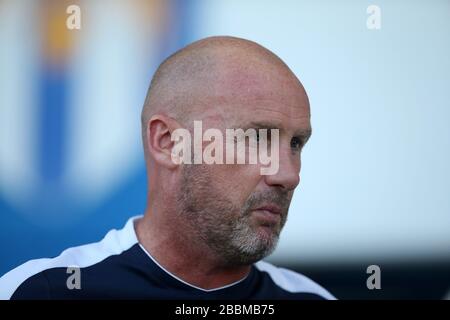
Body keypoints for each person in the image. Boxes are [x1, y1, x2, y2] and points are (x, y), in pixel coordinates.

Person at [0, 36, 335, 300]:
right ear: (168, 142)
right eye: (257, 138)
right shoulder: (42, 291)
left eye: (295, 144)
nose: (289, 175)